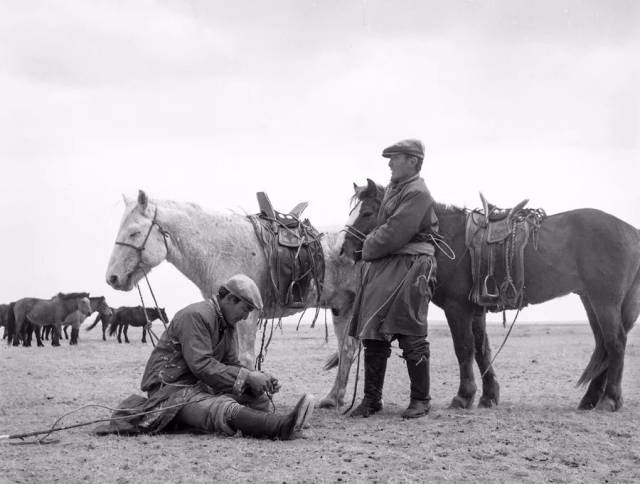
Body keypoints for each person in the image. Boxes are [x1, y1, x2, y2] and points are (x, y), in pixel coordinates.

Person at [96, 274, 314, 440]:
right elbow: (201, 365)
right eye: (246, 309)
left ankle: (273, 422)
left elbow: (231, 365)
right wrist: (246, 377)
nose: (246, 316)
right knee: (218, 408)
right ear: (229, 298)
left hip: (200, 385)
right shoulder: (196, 315)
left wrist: (257, 379)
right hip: (171, 391)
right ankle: (282, 427)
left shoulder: (227, 324)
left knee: (258, 398)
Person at [349, 138, 439, 419]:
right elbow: (382, 226)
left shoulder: (418, 193)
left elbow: (394, 232)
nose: (389, 163)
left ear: (412, 161)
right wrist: (375, 244)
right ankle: (371, 399)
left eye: (395, 158)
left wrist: (366, 248)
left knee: (410, 329)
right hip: (387, 265)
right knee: (373, 329)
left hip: (412, 265)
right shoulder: (395, 191)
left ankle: (420, 399)